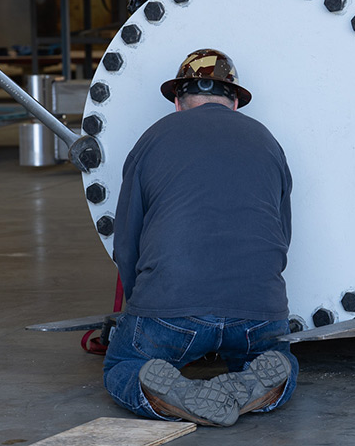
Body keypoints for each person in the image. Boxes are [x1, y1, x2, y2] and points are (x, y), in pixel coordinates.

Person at [102, 49, 298, 427]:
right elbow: (281, 235)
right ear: (235, 102)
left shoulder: (153, 137)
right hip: (257, 313)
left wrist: (142, 307)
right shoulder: (268, 141)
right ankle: (252, 388)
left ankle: (176, 397)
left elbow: (126, 241)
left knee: (123, 363)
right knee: (281, 361)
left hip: (172, 310)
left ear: (178, 102)